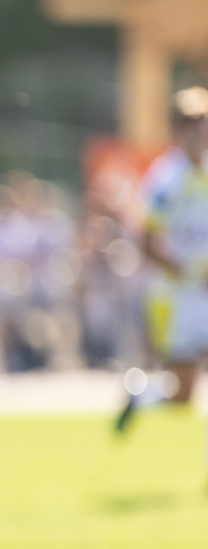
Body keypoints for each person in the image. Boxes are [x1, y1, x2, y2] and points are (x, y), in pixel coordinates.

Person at [116, 87, 208, 432]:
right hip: (177, 296)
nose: (197, 129)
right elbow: (147, 240)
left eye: (202, 120)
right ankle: (141, 398)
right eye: (189, 121)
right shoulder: (166, 178)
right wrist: (188, 272)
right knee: (183, 397)